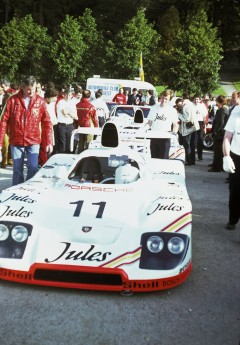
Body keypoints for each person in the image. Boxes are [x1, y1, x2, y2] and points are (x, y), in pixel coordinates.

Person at [0, 75, 53, 185]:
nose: (31, 92)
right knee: (17, 169)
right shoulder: (12, 100)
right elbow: (3, 121)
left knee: (33, 166)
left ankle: (30, 188)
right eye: (28, 89)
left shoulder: (41, 101)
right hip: (16, 140)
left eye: (33, 89)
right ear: (22, 87)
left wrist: (48, 141)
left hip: (33, 140)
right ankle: (17, 191)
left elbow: (47, 122)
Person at [145, 90, 179, 159]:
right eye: (163, 98)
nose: (164, 100)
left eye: (166, 99)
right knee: (154, 158)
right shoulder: (154, 108)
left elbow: (175, 124)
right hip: (154, 137)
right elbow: (149, 123)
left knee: (163, 159)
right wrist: (143, 129)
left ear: (169, 100)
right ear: (160, 97)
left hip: (165, 138)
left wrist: (174, 133)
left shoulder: (172, 110)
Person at [222, 103, 240, 230]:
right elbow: (227, 137)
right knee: (235, 191)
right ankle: (233, 219)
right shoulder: (236, 113)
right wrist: (226, 156)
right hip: (237, 156)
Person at [209, 95, 229, 172]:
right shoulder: (225, 109)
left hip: (220, 134)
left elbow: (220, 123)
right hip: (222, 133)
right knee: (219, 151)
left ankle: (216, 167)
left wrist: (215, 132)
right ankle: (217, 165)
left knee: (217, 151)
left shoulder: (222, 110)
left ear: (218, 101)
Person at [178, 92, 199, 165]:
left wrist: (178, 113)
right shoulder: (191, 104)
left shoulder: (186, 105)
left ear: (182, 97)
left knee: (187, 145)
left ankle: (189, 161)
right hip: (194, 127)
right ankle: (192, 160)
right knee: (192, 145)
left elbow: (186, 118)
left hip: (188, 128)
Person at [56, 88, 77, 153]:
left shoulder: (73, 103)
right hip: (62, 125)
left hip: (70, 125)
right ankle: (61, 156)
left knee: (69, 142)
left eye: (69, 95)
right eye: (66, 94)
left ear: (71, 95)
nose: (68, 96)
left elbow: (75, 116)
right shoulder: (61, 102)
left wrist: (69, 113)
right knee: (62, 143)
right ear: (64, 95)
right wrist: (70, 114)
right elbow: (64, 114)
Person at [192, 94, 208, 160]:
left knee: (200, 140)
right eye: (195, 99)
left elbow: (204, 116)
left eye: (197, 99)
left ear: (199, 100)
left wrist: (205, 127)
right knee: (192, 140)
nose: (196, 101)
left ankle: (200, 156)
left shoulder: (202, 106)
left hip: (200, 123)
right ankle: (192, 156)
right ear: (193, 99)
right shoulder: (191, 106)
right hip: (192, 123)